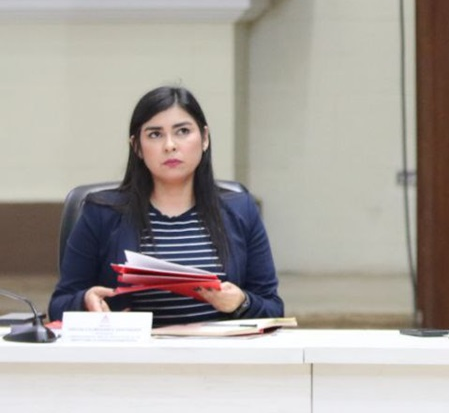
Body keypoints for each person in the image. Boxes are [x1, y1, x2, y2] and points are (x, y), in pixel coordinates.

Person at [50, 86, 283, 326]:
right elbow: (59, 305)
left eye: (183, 131)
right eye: (155, 135)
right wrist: (85, 302)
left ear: (204, 138)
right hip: (134, 348)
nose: (170, 145)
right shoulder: (101, 213)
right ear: (137, 147)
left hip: (218, 348)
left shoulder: (241, 209)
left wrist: (241, 303)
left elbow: (273, 308)